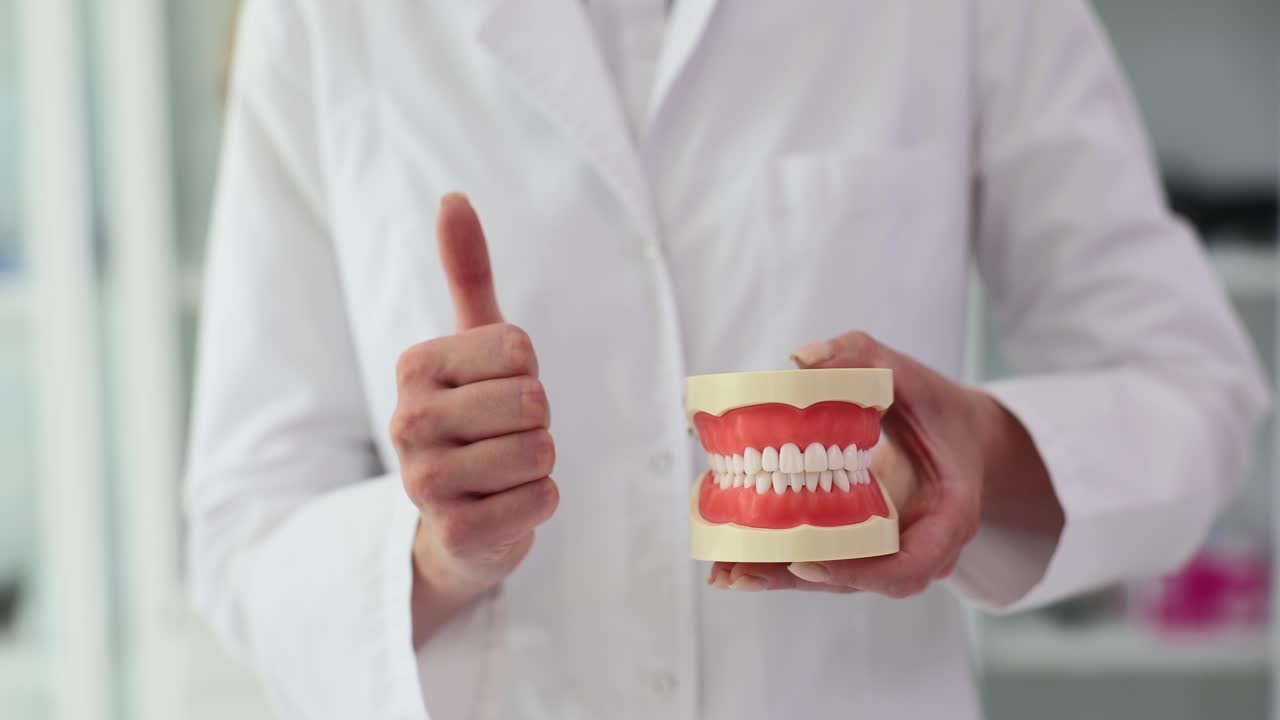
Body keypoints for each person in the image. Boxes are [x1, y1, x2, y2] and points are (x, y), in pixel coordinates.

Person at [184, 1, 1270, 718]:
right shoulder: (327, 18)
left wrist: (977, 452)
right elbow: (244, 522)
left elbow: (1187, 389)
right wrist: (431, 554)